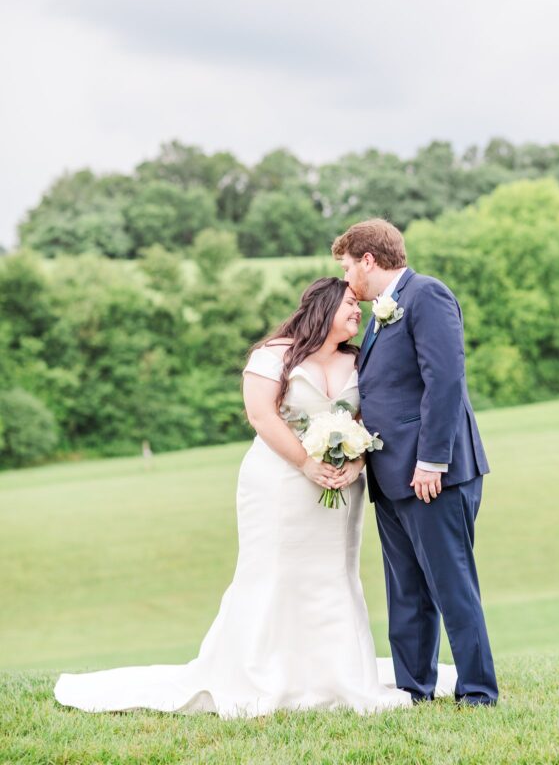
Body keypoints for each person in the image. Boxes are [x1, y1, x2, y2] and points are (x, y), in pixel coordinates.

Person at [54, 277, 455, 719]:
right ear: (322, 308)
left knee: (333, 574)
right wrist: (306, 462)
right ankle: (262, 673)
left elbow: (366, 416)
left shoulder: (358, 361)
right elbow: (261, 415)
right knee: (275, 571)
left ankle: (338, 673)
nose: (358, 310)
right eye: (348, 303)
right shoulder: (273, 356)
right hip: (279, 484)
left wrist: (355, 464)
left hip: (341, 487)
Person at [332, 219, 498, 705]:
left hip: (433, 476)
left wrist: (432, 461)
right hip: (392, 478)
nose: (346, 280)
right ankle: (412, 689)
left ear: (368, 259)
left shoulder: (428, 295)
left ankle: (478, 692)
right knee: (406, 593)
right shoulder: (385, 314)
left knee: (451, 585)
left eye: (347, 267)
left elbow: (445, 381)